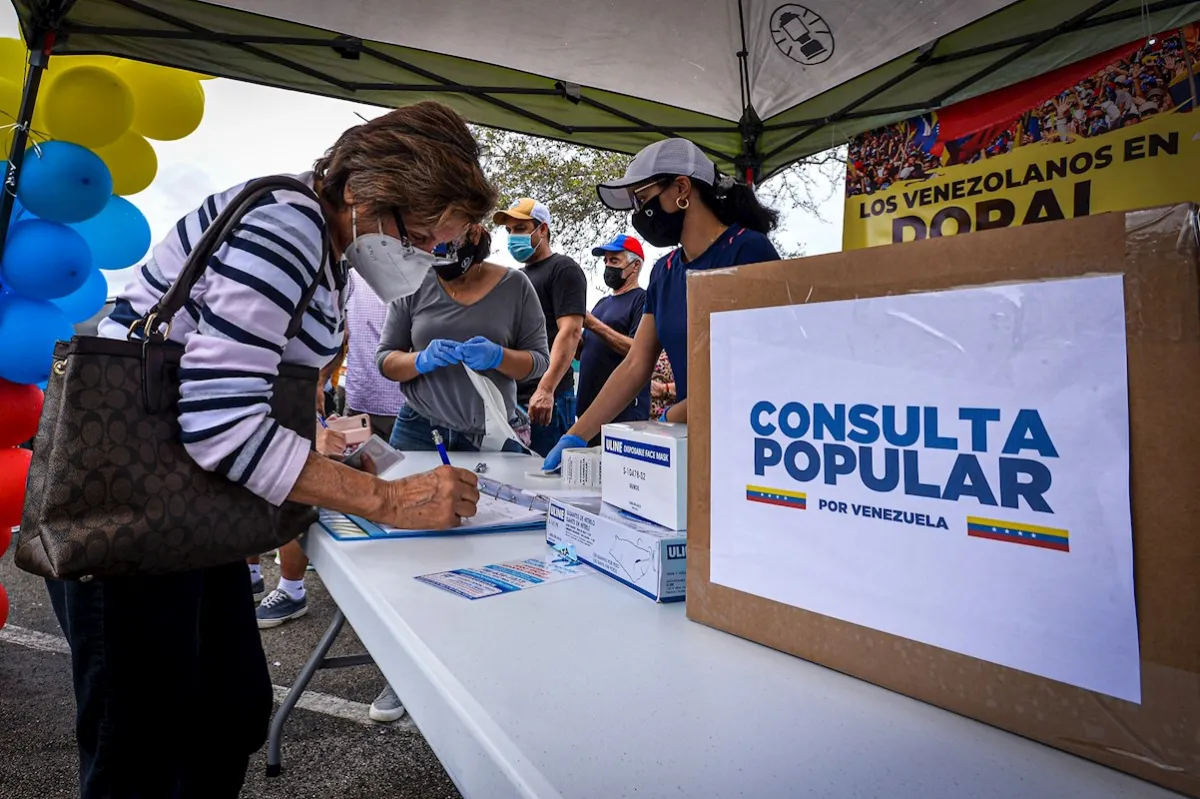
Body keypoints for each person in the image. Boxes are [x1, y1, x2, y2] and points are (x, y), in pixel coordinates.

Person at [45, 100, 492, 799]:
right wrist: (390, 499)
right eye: (426, 235)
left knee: (229, 709)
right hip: (130, 519)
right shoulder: (287, 224)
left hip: (188, 511)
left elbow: (249, 390)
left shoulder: (324, 247)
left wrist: (340, 460)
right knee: (138, 750)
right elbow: (221, 421)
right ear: (364, 195)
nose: (432, 256)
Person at [541, 138, 782, 470]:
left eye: (642, 199)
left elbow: (762, 369)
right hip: (691, 443)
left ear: (681, 188)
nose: (638, 215)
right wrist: (577, 435)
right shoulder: (664, 271)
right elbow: (635, 365)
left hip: (752, 444)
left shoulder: (749, 252)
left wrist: (674, 415)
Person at [254, 268, 412, 723]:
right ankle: (291, 589)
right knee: (305, 487)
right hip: (360, 402)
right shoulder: (345, 271)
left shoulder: (420, 264)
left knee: (403, 521)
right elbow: (338, 334)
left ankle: (401, 652)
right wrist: (318, 383)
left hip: (411, 409)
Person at [376, 225, 549, 453]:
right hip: (420, 430)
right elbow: (386, 361)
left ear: (474, 234)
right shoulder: (414, 283)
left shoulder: (516, 286)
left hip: (491, 434)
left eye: (448, 242)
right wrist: (421, 360)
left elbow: (538, 362)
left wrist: (499, 357)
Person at [494, 198, 587, 456]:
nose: (513, 237)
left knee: (547, 480)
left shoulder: (563, 269)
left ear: (542, 229)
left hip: (548, 401)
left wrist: (546, 389)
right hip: (517, 401)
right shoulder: (519, 277)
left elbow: (570, 332)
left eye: (521, 229)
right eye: (510, 231)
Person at [575, 234, 650, 446]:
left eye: (614, 261)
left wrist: (592, 324)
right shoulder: (601, 303)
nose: (608, 266)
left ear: (635, 266)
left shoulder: (642, 300)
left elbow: (639, 350)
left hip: (623, 415)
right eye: (606, 261)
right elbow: (585, 351)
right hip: (589, 413)